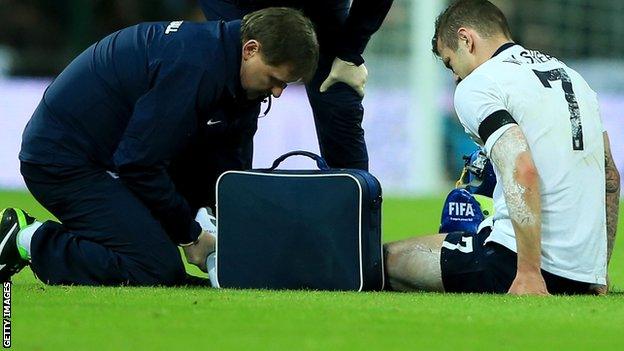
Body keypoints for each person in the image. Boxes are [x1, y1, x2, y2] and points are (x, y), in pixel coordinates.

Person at [0, 7, 319, 285]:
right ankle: (28, 237)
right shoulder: (195, 67)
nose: (278, 92)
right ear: (251, 49)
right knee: (153, 267)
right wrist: (191, 235)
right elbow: (138, 163)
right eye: (276, 79)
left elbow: (228, 161)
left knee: (160, 245)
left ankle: (110, 233)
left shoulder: (233, 69)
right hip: (62, 161)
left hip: (105, 155)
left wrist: (229, 224)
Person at [384, 0, 620, 295]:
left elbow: (521, 168)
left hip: (514, 264)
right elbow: (610, 178)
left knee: (384, 260)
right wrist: (596, 275)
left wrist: (529, 273)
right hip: (580, 274)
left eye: (449, 63)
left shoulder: (477, 85)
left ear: (466, 39)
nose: (455, 76)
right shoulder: (574, 78)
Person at [197, 0, 394, 171]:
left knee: (338, 95)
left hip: (321, 9)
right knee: (237, 94)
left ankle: (354, 209)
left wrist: (350, 52)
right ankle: (224, 203)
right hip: (241, 4)